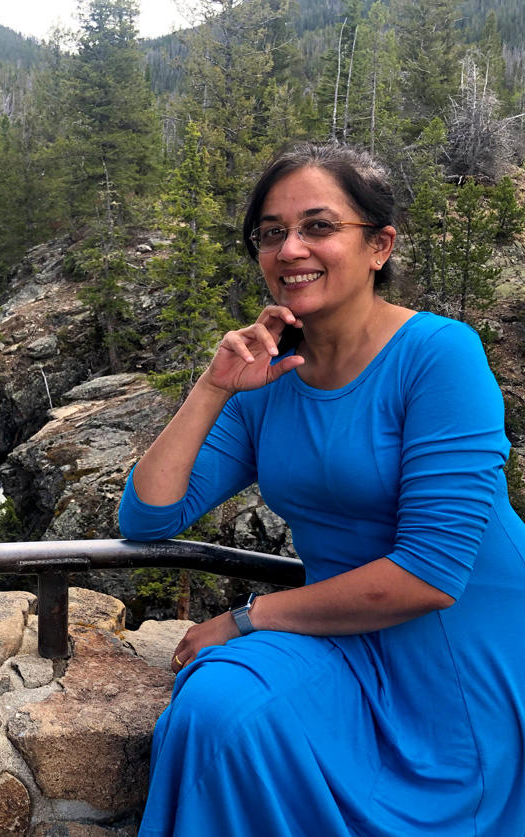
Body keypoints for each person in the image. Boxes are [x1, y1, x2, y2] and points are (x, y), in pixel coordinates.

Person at [118, 141, 525, 836]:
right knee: (217, 712)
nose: (290, 248)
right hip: (340, 636)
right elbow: (149, 515)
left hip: (453, 646)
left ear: (378, 245)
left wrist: (248, 617)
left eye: (318, 226)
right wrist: (216, 384)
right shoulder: (267, 378)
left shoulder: (439, 355)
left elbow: (429, 574)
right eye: (271, 233)